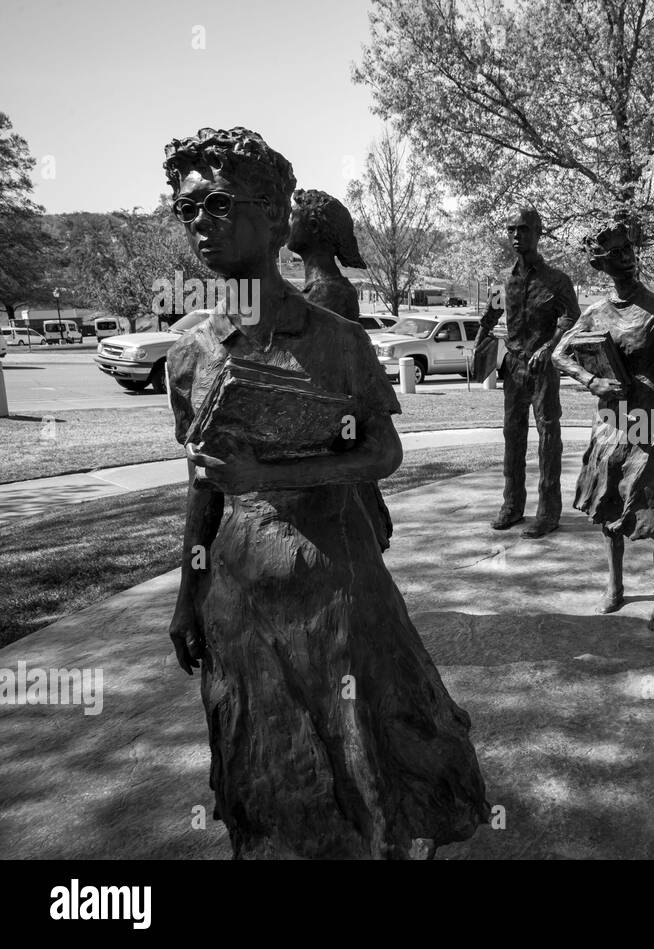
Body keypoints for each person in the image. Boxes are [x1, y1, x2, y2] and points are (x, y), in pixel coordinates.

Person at [162, 127, 488, 859]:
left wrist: (274, 476)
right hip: (239, 590)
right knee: (265, 755)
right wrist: (188, 591)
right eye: (186, 210)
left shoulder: (336, 338)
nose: (201, 223)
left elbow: (383, 450)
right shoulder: (189, 349)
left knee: (363, 744)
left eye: (219, 204)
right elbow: (203, 480)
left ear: (276, 216)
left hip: (338, 578)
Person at [552, 216, 654, 632]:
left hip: (652, 420)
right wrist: (591, 381)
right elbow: (560, 354)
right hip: (611, 422)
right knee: (608, 506)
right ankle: (615, 583)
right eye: (615, 253)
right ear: (600, 264)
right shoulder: (595, 312)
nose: (626, 258)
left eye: (628, 249)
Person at [289, 187, 394, 550]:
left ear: (314, 226)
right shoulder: (312, 292)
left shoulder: (328, 294)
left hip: (333, 436)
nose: (287, 222)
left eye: (293, 214)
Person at [474, 207, 580, 538]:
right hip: (514, 366)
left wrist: (549, 347)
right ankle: (512, 505)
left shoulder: (558, 280)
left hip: (543, 369)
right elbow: (489, 317)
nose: (516, 235)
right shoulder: (503, 281)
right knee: (513, 436)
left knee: (549, 438)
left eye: (523, 229)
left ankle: (548, 512)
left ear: (538, 233)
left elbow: (571, 318)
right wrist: (480, 346)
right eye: (511, 230)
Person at [288, 189, 367, 325]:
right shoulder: (318, 290)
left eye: (291, 218)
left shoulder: (331, 294)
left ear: (313, 226)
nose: (287, 224)